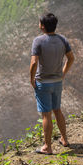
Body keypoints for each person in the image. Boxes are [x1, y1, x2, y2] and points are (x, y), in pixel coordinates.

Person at [30, 13, 75, 155]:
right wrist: (63, 73)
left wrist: (32, 79)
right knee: (58, 110)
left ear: (42, 26)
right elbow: (71, 58)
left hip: (43, 83)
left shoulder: (38, 41)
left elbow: (33, 62)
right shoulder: (63, 40)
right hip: (57, 82)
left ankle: (47, 147)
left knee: (46, 115)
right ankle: (64, 139)